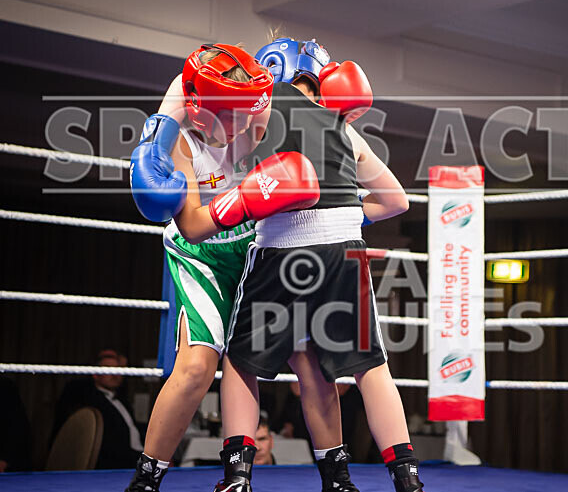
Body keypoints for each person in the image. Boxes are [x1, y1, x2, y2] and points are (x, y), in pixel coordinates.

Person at [217, 37, 419, 492]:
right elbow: (396, 201)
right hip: (343, 248)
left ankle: (237, 477)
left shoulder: (261, 107)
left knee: (241, 362)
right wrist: (346, 213)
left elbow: (227, 168)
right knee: (360, 366)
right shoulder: (345, 126)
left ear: (272, 69)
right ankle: (394, 479)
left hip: (281, 247)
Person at [125, 43, 319, 492]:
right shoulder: (179, 136)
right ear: (200, 109)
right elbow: (193, 227)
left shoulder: (263, 112)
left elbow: (321, 143)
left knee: (274, 361)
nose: (239, 127)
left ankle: (240, 477)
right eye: (228, 116)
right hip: (202, 255)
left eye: (244, 115)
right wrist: (247, 198)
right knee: (195, 368)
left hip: (255, 248)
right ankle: (145, 480)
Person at [54, 350, 143, 469]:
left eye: (118, 369)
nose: (115, 374)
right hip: (116, 465)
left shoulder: (122, 400)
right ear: (95, 374)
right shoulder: (88, 398)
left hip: (139, 458)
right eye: (108, 370)